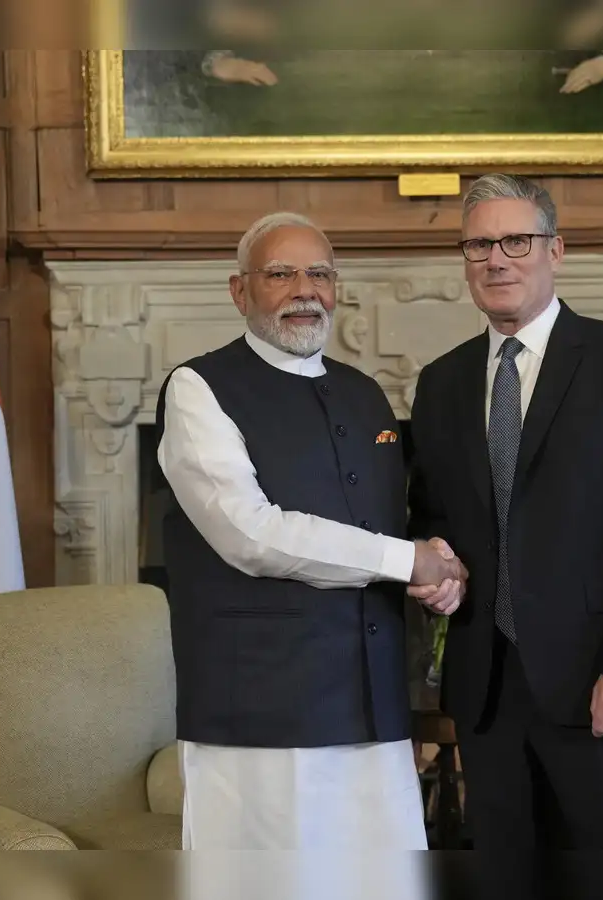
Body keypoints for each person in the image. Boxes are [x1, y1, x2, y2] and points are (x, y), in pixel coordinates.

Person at [407, 174, 603, 900]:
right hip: (490, 695)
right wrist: (437, 565)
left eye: (516, 241)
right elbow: (434, 517)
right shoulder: (441, 382)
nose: (496, 260)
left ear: (555, 250)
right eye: (479, 245)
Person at [154, 211, 466, 898]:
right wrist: (407, 560)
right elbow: (249, 533)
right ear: (240, 290)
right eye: (281, 274)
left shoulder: (365, 393)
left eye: (320, 273)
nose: (305, 289)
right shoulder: (197, 388)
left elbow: (393, 526)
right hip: (261, 706)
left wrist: (438, 569)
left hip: (375, 701)